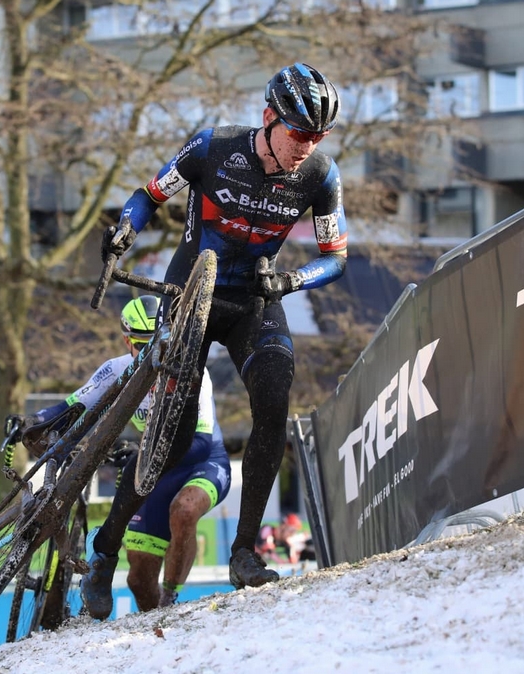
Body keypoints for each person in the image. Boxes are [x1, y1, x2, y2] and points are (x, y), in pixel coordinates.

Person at [81, 62, 347, 620]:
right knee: (171, 441)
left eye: (317, 137)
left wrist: (293, 280)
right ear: (269, 117)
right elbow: (148, 194)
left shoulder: (321, 175)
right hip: (190, 291)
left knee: (274, 399)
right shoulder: (212, 147)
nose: (306, 147)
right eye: (299, 133)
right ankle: (104, 551)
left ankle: (245, 552)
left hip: (255, 297)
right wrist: (126, 228)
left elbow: (336, 257)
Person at [12, 295, 231, 611]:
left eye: (163, 341)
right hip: (155, 470)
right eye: (142, 345)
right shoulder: (116, 369)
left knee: (183, 510)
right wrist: (33, 420)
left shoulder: (192, 371)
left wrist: (147, 457)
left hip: (201, 463)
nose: (155, 352)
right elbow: (72, 407)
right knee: (138, 581)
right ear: (127, 341)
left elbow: (202, 444)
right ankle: (157, 623)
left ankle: (171, 600)